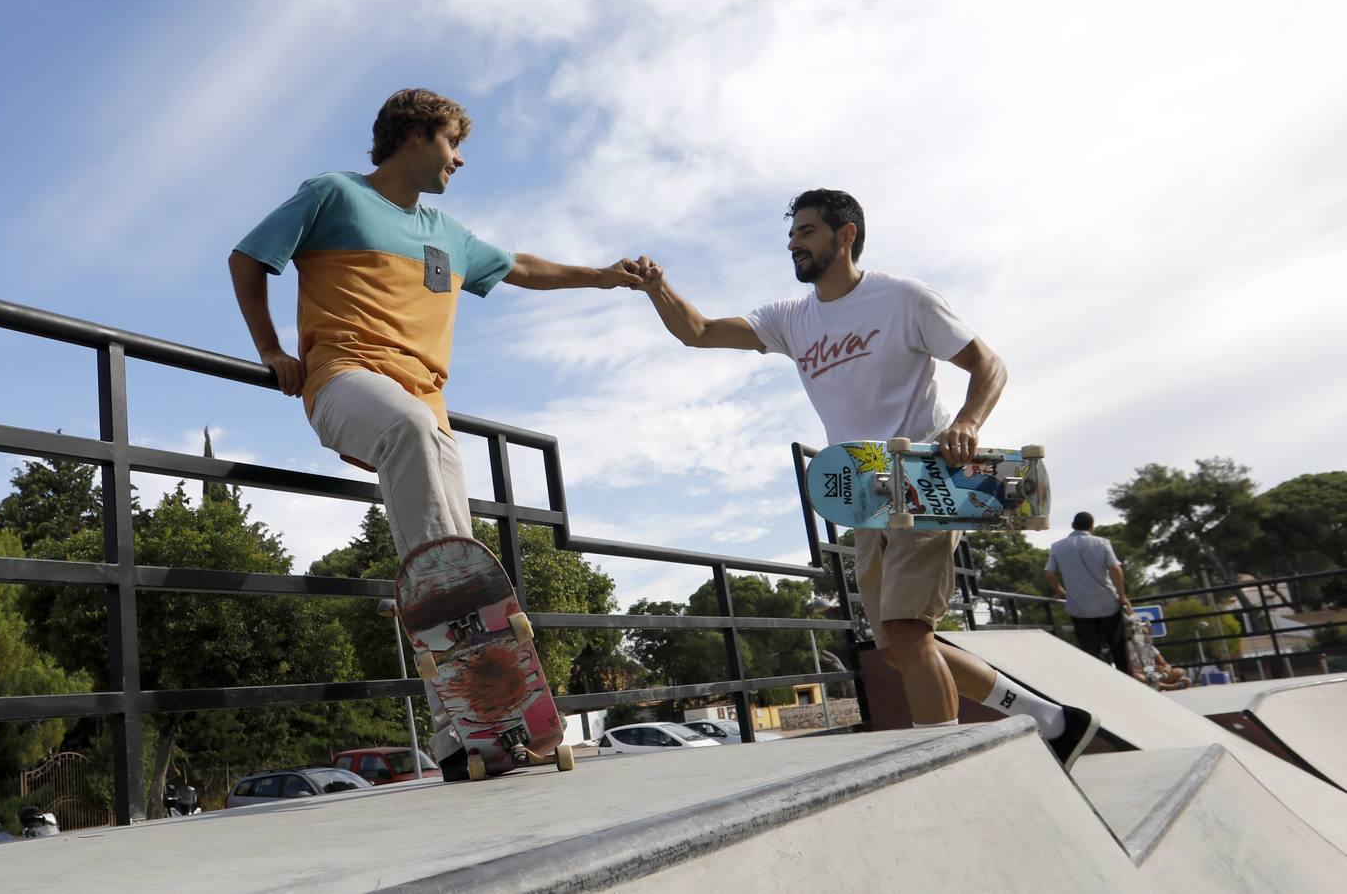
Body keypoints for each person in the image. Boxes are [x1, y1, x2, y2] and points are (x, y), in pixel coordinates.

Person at [228, 88, 644, 779]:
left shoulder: (447, 234)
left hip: (426, 408)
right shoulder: (332, 194)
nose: (460, 158)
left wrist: (603, 277)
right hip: (342, 380)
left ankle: (466, 733)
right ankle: (466, 652)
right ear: (417, 135)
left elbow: (524, 267)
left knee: (461, 544)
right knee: (420, 451)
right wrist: (272, 349)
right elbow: (248, 259)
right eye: (453, 142)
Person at [634, 189, 1099, 769]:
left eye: (806, 232)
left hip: (926, 482)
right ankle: (1054, 719)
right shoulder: (790, 319)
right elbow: (699, 332)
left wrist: (967, 422)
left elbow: (989, 364)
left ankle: (954, 768)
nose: (792, 243)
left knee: (908, 629)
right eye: (792, 234)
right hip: (863, 496)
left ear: (845, 234)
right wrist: (658, 289)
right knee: (903, 648)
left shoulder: (902, 299)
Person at [1045, 512, 1132, 674]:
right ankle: (1129, 683)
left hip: (1079, 607)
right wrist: (1122, 596)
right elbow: (1115, 569)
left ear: (1072, 525)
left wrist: (1061, 592)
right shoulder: (1102, 543)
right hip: (1108, 606)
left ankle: (1099, 686)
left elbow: (1050, 574)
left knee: (1091, 652)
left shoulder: (1057, 546)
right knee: (1118, 648)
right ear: (1092, 526)